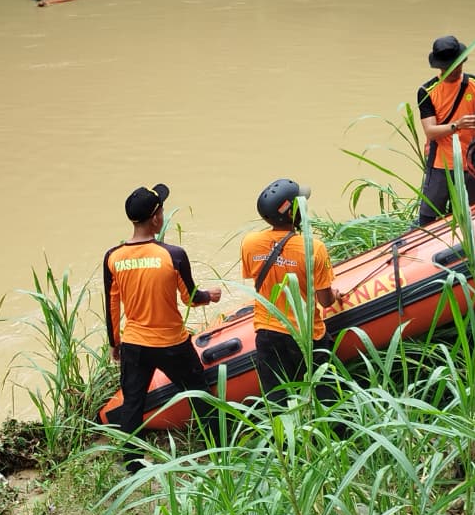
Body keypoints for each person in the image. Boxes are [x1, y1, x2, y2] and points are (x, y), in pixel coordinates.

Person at [103, 183, 222, 472]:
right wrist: (210, 295)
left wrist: (115, 343)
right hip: (171, 344)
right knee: (198, 392)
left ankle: (132, 463)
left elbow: (111, 305)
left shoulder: (113, 257)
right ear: (156, 218)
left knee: (133, 401)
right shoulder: (173, 255)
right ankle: (218, 449)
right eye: (162, 210)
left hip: (134, 344)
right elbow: (191, 298)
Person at [240, 179, 340, 409]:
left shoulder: (250, 243)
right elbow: (325, 301)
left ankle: (284, 432)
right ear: (293, 213)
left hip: (267, 333)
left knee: (276, 401)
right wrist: (335, 294)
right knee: (326, 397)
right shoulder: (313, 247)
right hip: (306, 336)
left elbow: (256, 278)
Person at [416, 34, 475, 226]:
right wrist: (457, 125)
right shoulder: (427, 91)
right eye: (450, 66)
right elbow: (430, 131)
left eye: (458, 64)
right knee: (428, 219)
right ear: (440, 67)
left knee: (472, 215)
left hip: (470, 163)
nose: (456, 69)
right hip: (440, 164)